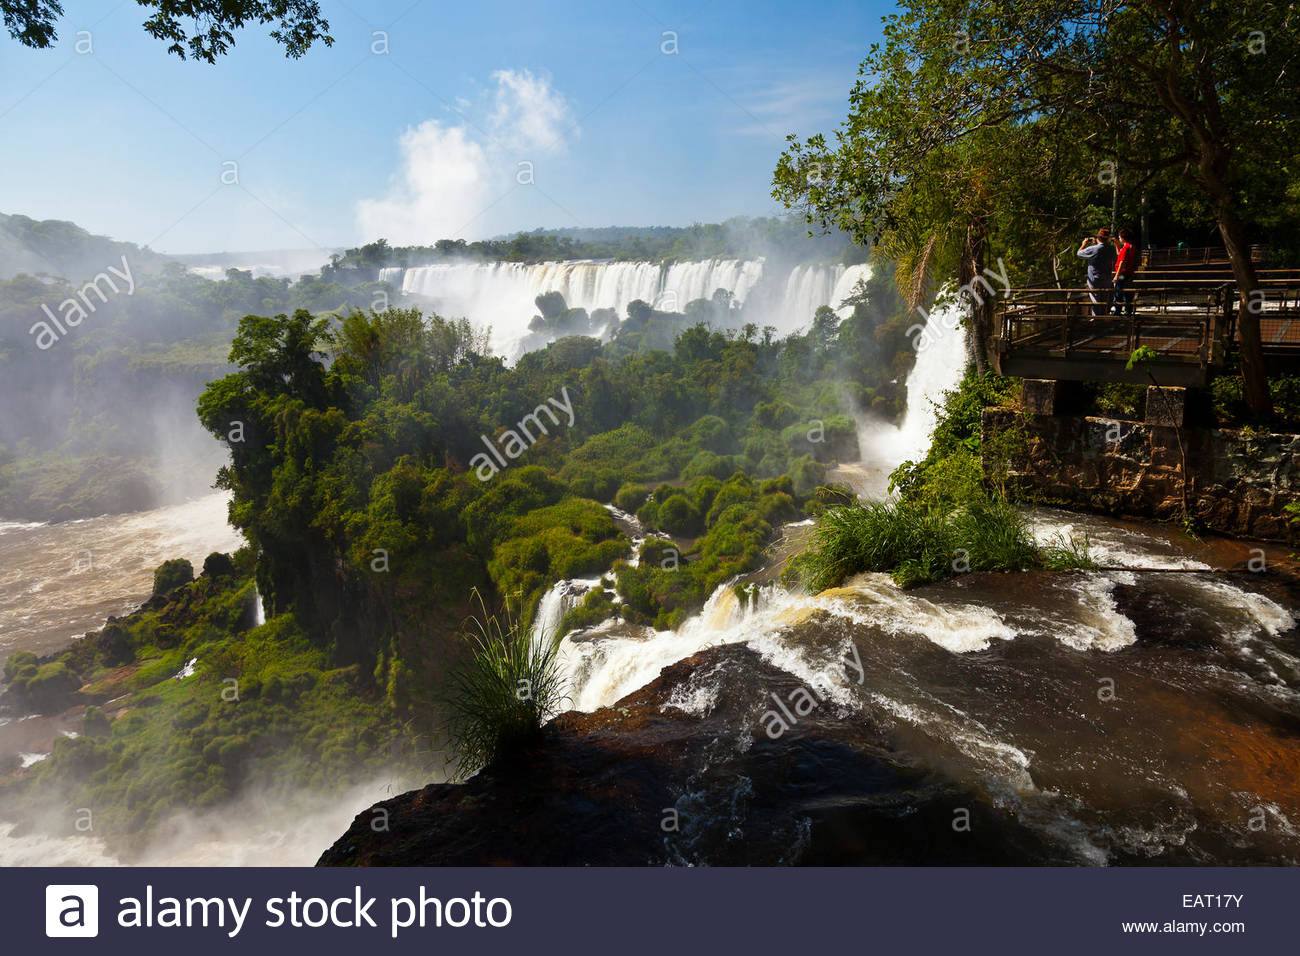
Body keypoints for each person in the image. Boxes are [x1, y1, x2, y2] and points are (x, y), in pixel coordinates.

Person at [1077, 228, 1117, 315]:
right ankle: (1103, 318)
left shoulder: (1093, 249)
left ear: (1098, 238)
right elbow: (1113, 258)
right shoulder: (1112, 249)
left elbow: (1079, 254)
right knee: (1104, 300)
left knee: (1095, 300)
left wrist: (1083, 244)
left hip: (1094, 279)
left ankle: (1096, 320)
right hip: (1107, 278)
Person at [1111, 227, 1138, 315]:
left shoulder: (1126, 248)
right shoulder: (1131, 246)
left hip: (1123, 274)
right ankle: (1128, 311)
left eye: (1119, 238)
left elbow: (1122, 262)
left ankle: (1118, 311)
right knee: (1128, 293)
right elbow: (1119, 254)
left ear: (1123, 238)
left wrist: (1116, 275)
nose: (1119, 239)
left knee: (1118, 292)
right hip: (1130, 273)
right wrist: (1117, 244)